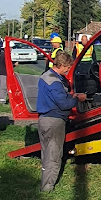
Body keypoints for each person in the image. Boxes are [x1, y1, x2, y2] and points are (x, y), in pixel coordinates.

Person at [36, 51, 86, 192]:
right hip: (55, 121)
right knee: (54, 155)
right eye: (67, 67)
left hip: (43, 119)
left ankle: (45, 181)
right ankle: (47, 187)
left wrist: (69, 95)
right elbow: (63, 104)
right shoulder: (55, 82)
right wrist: (77, 98)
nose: (68, 70)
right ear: (62, 65)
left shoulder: (45, 77)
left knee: (46, 153)